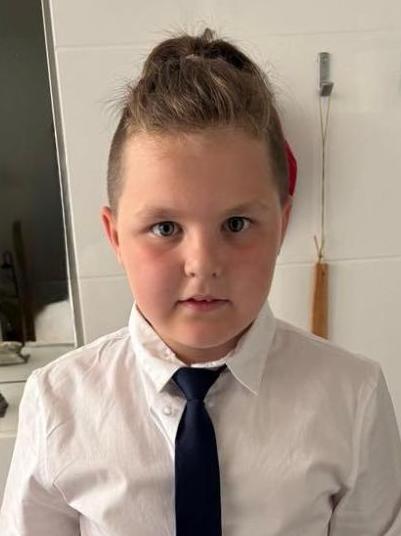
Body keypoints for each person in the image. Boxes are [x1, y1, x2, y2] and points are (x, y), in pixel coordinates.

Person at [1, 27, 400, 536]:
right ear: (116, 236)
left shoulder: (353, 397)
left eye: (236, 224)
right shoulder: (58, 403)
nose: (203, 263)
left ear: (281, 225)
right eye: (165, 228)